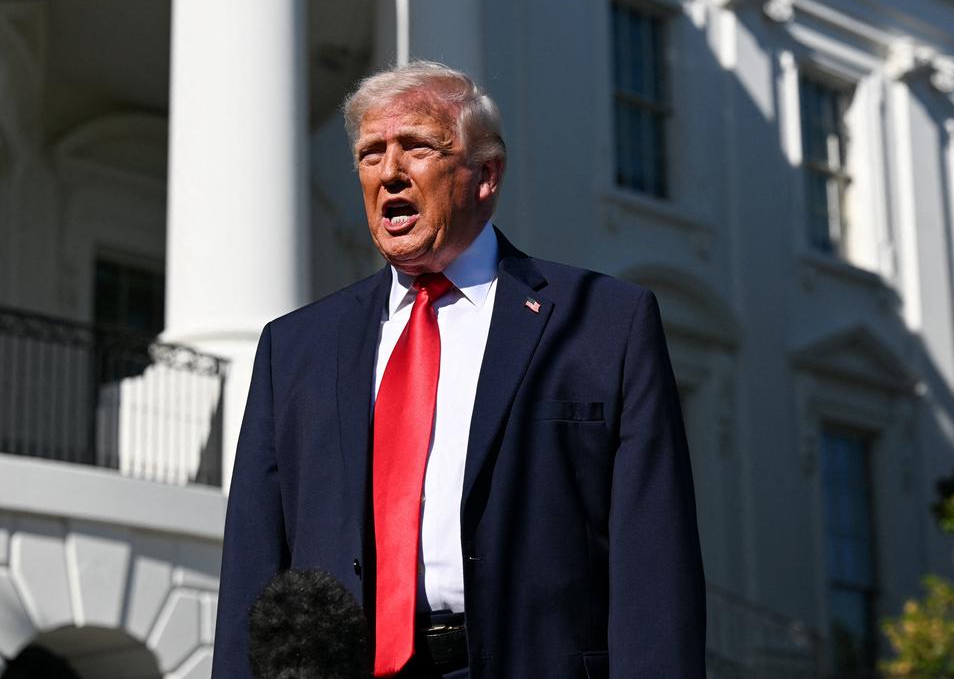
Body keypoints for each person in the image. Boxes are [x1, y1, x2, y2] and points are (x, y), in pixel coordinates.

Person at [212, 61, 705, 679]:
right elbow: (254, 563)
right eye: (370, 154)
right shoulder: (296, 347)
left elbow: (655, 561)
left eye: (416, 147)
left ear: (485, 175)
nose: (389, 172)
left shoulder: (607, 326)